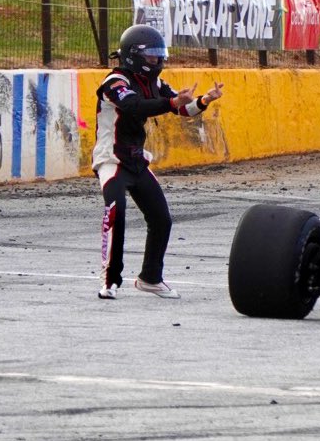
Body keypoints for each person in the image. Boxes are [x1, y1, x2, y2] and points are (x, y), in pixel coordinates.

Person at [92, 24, 224, 300]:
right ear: (134, 55)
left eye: (158, 55)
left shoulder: (156, 83)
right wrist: (172, 103)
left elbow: (182, 108)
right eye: (151, 55)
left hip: (137, 160)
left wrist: (204, 100)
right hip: (111, 159)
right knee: (116, 213)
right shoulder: (114, 82)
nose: (157, 60)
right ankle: (110, 280)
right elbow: (133, 106)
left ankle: (150, 278)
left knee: (161, 219)